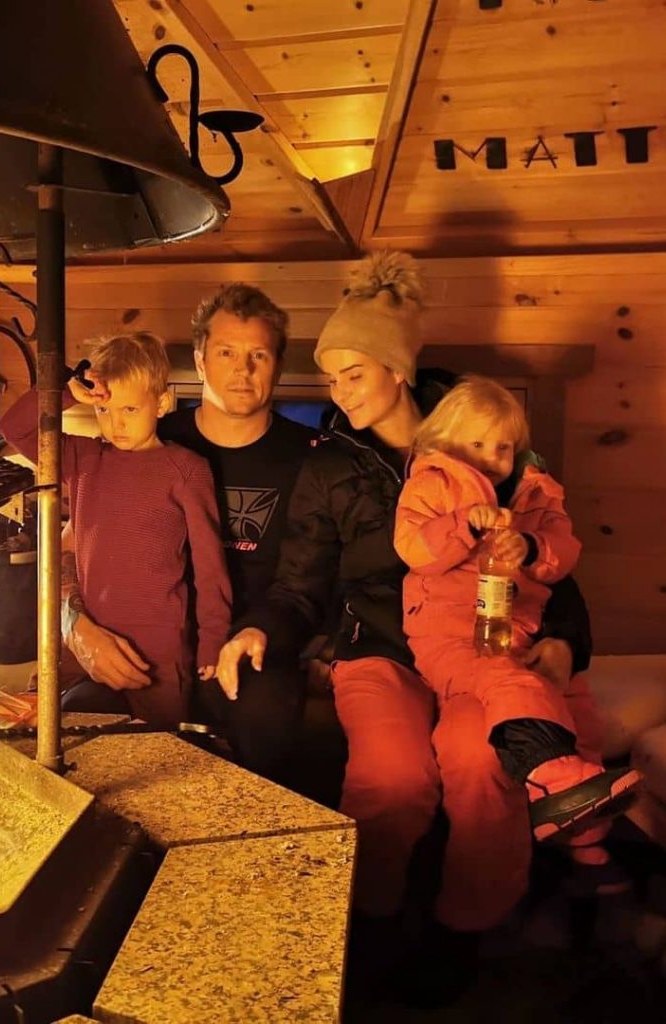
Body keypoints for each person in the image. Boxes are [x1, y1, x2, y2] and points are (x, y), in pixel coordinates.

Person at [214, 251, 596, 979]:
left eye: (353, 375)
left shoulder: (490, 443)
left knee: (481, 760)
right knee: (392, 776)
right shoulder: (330, 464)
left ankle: (463, 929)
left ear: (397, 369)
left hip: (482, 646)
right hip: (380, 647)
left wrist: (567, 642)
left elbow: (551, 553)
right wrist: (260, 628)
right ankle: (369, 921)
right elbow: (299, 583)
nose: (338, 392)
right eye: (331, 378)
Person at [61, 285, 316, 776]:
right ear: (199, 361)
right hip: (139, 643)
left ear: (278, 364)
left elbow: (310, 579)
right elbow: (71, 546)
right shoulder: (137, 439)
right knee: (81, 731)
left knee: (259, 725)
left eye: (258, 355)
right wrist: (74, 626)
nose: (242, 369)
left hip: (254, 647)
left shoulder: (310, 458)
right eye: (226, 352)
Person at [394, 376, 639, 859]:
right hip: (448, 633)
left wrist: (530, 546)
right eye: (477, 444)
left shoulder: (537, 492)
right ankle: (554, 778)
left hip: (520, 628)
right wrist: (463, 525)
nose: (491, 457)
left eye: (502, 447)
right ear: (445, 440)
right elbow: (413, 548)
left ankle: (582, 825)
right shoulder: (431, 484)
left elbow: (564, 552)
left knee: (575, 705)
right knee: (508, 681)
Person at [0, 331, 232, 727]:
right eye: (104, 410)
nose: (116, 424)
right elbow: (14, 428)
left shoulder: (187, 470)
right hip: (85, 636)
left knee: (156, 746)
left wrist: (213, 641)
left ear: (162, 403)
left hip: (158, 648)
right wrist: (67, 392)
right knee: (69, 738)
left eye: (129, 409)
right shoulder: (84, 457)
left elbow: (211, 568)